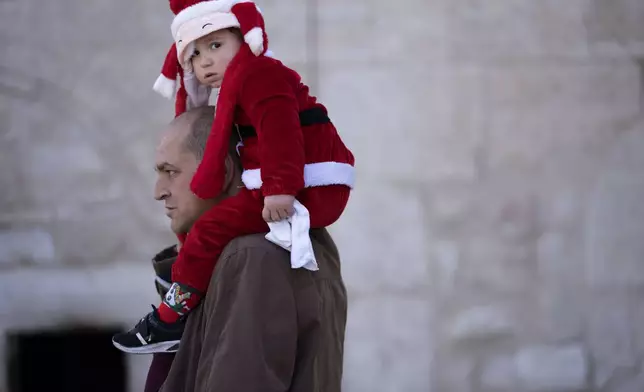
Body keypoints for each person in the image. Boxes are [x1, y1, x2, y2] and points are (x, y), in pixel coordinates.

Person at [113, 0, 355, 353]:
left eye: (215, 45)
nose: (205, 61)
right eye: (194, 54)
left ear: (245, 39)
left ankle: (170, 320)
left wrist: (279, 189)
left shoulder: (260, 74)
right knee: (204, 226)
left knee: (210, 229)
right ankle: (186, 275)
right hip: (287, 185)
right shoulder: (241, 83)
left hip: (309, 186)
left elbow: (281, 130)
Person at [137, 107, 348, 391]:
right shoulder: (286, 241)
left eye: (171, 172)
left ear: (221, 171)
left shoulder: (252, 254)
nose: (158, 191)